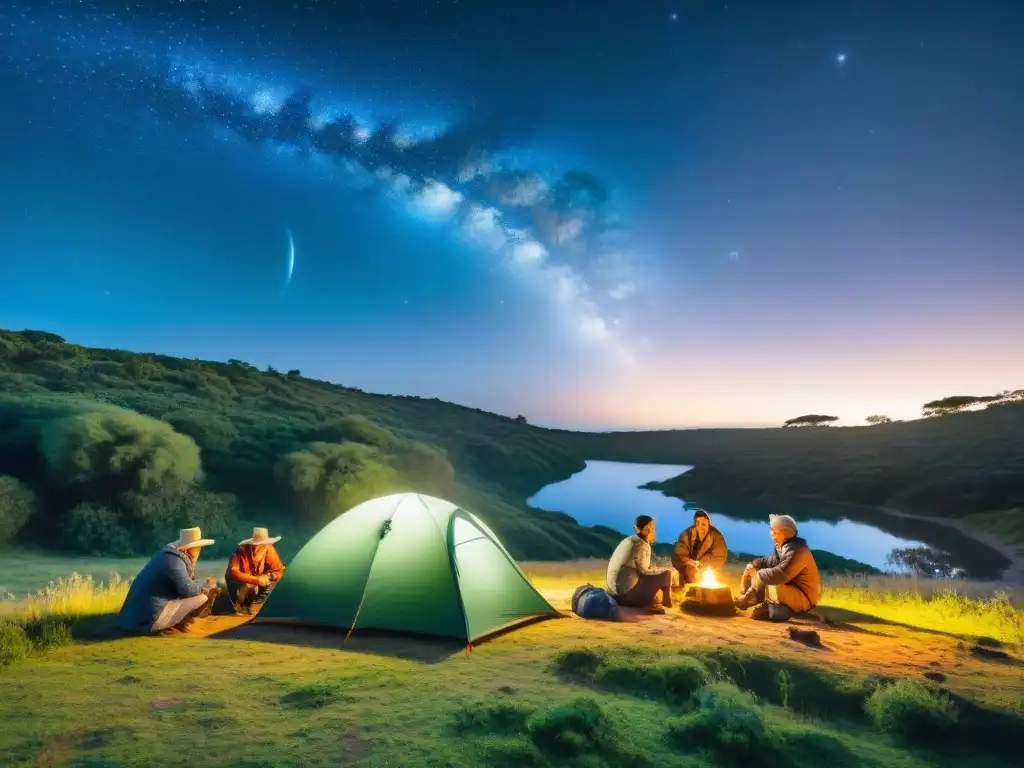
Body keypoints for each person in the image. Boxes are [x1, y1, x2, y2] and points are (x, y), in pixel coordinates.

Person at [117, 527, 222, 635]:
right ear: (188, 550)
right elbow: (187, 589)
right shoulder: (175, 561)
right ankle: (176, 626)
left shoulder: (166, 556)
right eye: (197, 548)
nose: (199, 551)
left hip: (129, 620)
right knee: (202, 598)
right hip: (148, 620)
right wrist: (207, 582)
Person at [734, 514, 821, 622]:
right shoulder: (783, 546)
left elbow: (781, 575)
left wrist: (757, 574)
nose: (771, 533)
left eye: (774, 531)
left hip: (804, 597)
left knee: (772, 583)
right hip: (789, 590)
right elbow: (771, 561)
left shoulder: (797, 551)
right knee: (752, 569)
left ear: (784, 533)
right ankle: (751, 599)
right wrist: (756, 564)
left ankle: (761, 604)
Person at [606, 515, 673, 614]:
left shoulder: (630, 540)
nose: (654, 532)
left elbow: (640, 567)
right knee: (667, 573)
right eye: (652, 528)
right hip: (625, 597)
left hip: (613, 595)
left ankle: (653, 601)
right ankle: (665, 602)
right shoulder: (642, 545)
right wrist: (663, 570)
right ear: (646, 530)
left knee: (656, 574)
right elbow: (643, 572)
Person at [225, 527, 286, 615]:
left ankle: (257, 602)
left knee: (273, 581)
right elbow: (233, 572)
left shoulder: (268, 549)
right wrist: (255, 580)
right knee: (248, 587)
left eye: (263, 544)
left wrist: (270, 576)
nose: (259, 546)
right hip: (239, 585)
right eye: (258, 544)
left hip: (258, 584)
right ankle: (241, 604)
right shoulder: (241, 551)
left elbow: (279, 570)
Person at [671, 508, 728, 584]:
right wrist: (690, 562)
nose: (700, 527)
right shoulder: (686, 534)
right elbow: (679, 554)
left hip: (707, 566)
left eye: (703, 524)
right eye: (697, 524)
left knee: (719, 579)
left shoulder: (716, 536)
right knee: (690, 571)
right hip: (688, 565)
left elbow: (719, 557)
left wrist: (701, 564)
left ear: (709, 523)